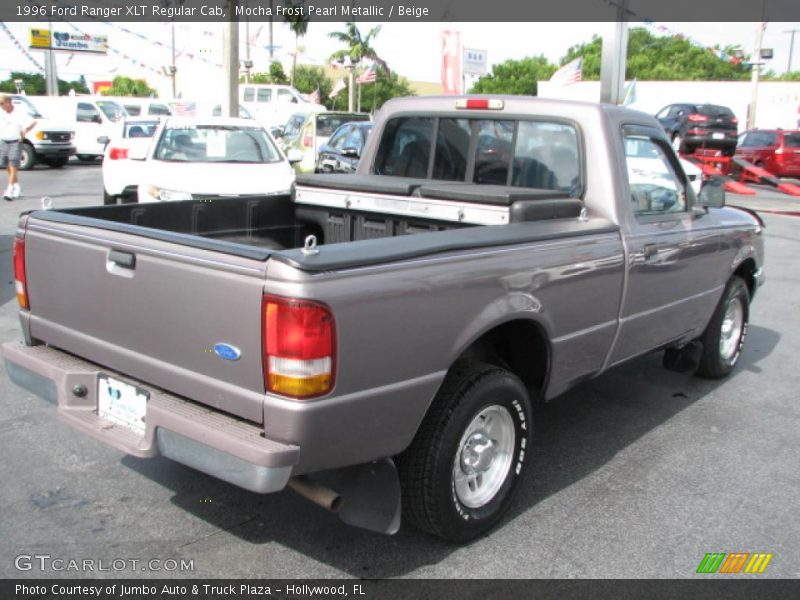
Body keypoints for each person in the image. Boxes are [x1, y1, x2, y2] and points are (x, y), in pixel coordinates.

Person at [0, 94, 37, 201]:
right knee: (6, 164)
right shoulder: (1, 112)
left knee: (13, 165)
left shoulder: (19, 114)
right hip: (3, 141)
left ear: (8, 102)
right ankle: (17, 187)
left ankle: (9, 190)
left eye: (1, 103)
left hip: (15, 142)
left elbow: (33, 122)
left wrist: (25, 130)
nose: (0, 106)